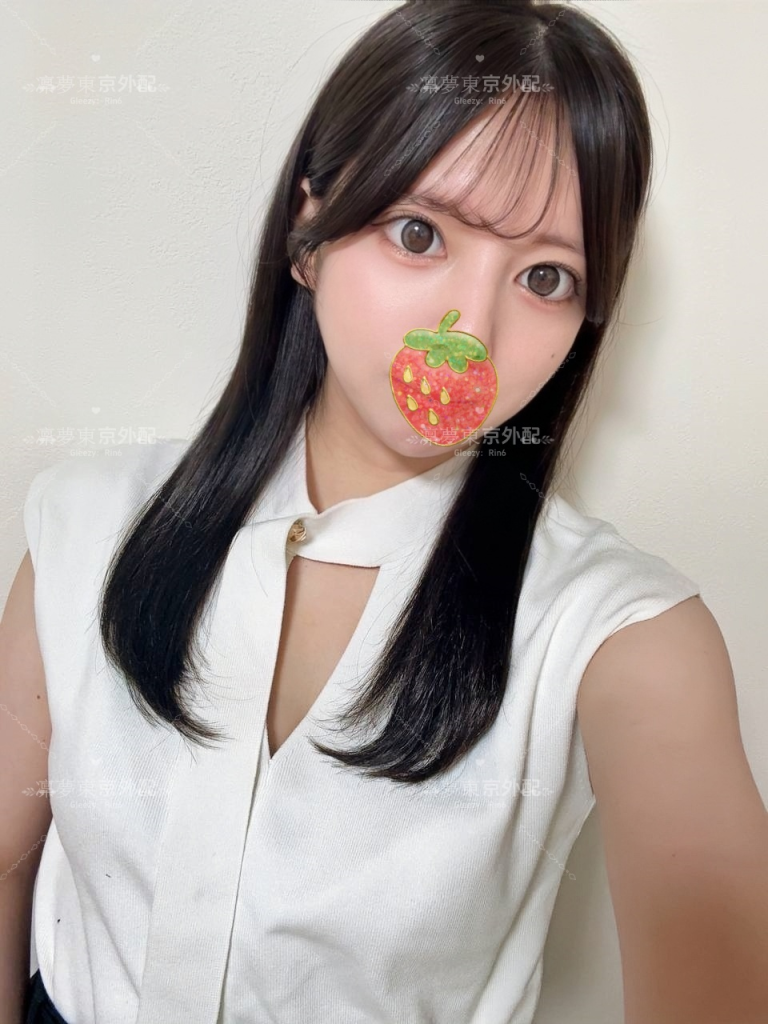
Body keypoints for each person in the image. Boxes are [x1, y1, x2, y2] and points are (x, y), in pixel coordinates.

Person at [3, 2, 767, 1022]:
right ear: (309, 233)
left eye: (544, 277)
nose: (469, 330)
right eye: (419, 234)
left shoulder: (625, 637)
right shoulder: (88, 524)